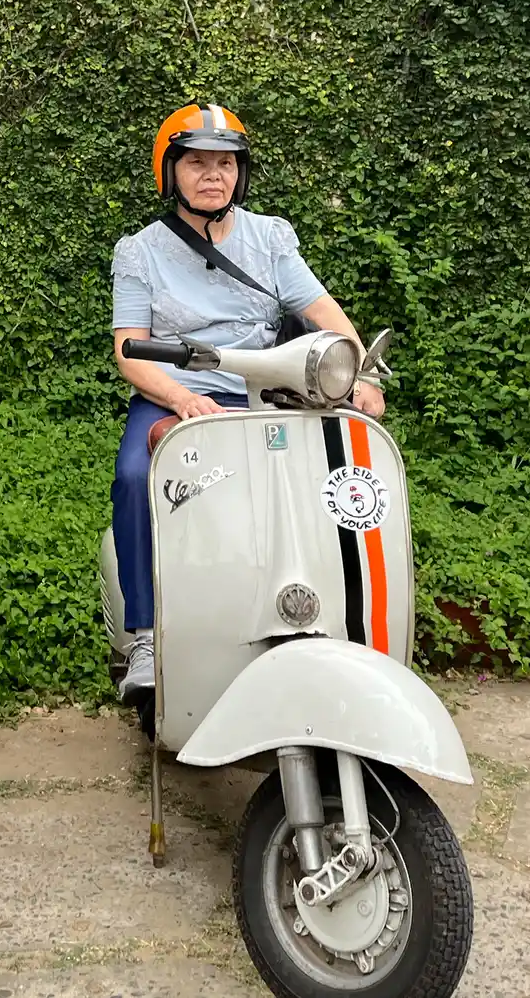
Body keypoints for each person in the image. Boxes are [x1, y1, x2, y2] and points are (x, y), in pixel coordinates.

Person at [109, 102, 385, 709]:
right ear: (170, 171)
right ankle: (146, 638)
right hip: (175, 393)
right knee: (135, 476)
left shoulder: (270, 236)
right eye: (198, 163)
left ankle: (336, 614)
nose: (214, 175)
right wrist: (183, 398)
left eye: (227, 163)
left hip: (270, 384)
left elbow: (320, 310)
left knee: (334, 473)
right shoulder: (140, 251)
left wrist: (359, 370)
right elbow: (129, 350)